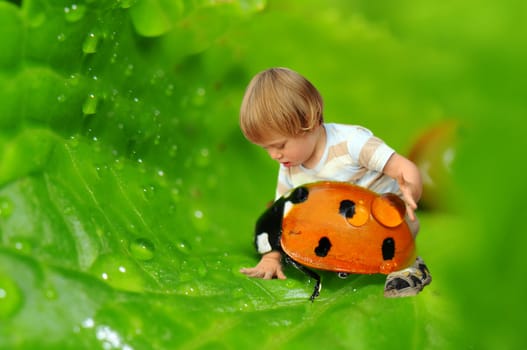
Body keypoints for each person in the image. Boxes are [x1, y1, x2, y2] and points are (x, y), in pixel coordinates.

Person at [238, 67, 431, 297]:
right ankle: (345, 262)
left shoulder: (352, 143)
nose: (274, 155)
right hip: (340, 236)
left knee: (398, 234)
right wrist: (271, 257)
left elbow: (402, 167)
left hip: (383, 225)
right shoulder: (289, 169)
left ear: (309, 121)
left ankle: (410, 269)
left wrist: (411, 191)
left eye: (279, 145)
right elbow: (282, 219)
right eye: (265, 148)